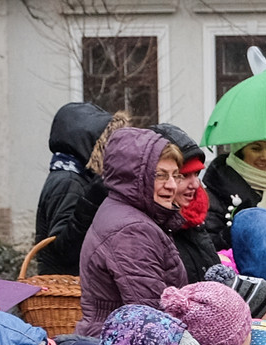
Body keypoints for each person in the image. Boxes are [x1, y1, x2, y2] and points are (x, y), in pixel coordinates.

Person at [77, 127, 187, 333]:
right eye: (161, 176)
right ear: (133, 178)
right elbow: (153, 316)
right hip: (125, 344)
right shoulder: (132, 231)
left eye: (175, 175)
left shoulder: (126, 212)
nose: (172, 185)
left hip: (120, 338)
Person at [34, 102, 115, 274]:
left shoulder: (71, 175)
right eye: (105, 141)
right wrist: (92, 201)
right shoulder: (69, 180)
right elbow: (63, 249)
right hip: (65, 285)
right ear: (88, 142)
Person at [154, 122, 222, 284]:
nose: (195, 184)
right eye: (184, 175)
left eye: (197, 173)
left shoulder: (194, 218)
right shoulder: (152, 229)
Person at [203, 138, 266, 250]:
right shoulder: (214, 193)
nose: (265, 157)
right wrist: (234, 232)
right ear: (239, 152)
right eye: (256, 149)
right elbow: (209, 246)